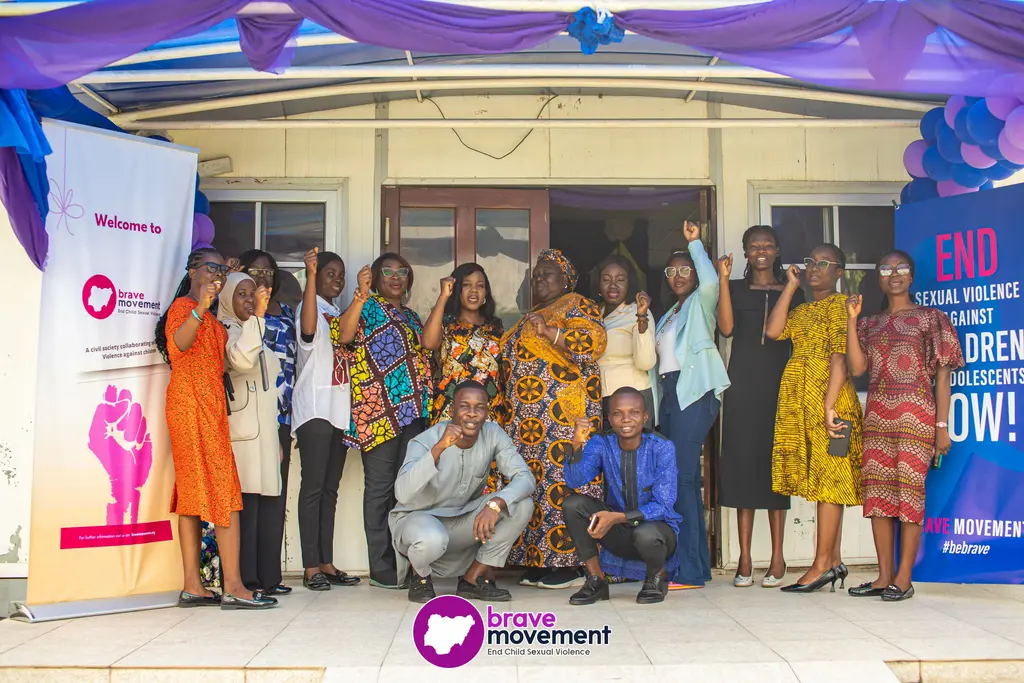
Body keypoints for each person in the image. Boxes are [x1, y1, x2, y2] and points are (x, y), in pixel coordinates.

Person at [154, 248, 276, 610]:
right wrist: (201, 306)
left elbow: (229, 361)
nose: (217, 274)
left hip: (208, 408)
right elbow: (179, 345)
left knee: (193, 498)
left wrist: (228, 291)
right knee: (226, 495)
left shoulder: (213, 319)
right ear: (192, 271)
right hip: (191, 407)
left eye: (222, 269)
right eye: (211, 267)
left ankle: (193, 586)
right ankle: (234, 586)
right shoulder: (184, 309)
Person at [841, 252, 963, 602]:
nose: (893, 274)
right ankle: (884, 577)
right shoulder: (869, 323)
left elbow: (943, 377)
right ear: (878, 278)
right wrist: (851, 320)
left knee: (910, 494)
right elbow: (857, 368)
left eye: (901, 269)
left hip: (916, 416)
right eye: (886, 269)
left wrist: (942, 426)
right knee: (878, 496)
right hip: (877, 417)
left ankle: (904, 578)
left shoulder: (931, 318)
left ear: (911, 277)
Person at [499, 248, 608, 590]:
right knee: (536, 487)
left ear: (566, 279)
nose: (539, 278)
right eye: (535, 275)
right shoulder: (529, 316)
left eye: (547, 273)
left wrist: (550, 332)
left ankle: (574, 564)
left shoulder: (577, 304)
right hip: (530, 422)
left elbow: (593, 342)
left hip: (564, 417)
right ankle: (540, 560)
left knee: (565, 484)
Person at [765, 244, 863, 593]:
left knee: (831, 480)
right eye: (810, 262)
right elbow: (773, 331)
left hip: (832, 404)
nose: (814, 268)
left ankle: (821, 565)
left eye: (823, 263)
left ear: (839, 272)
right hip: (800, 400)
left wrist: (829, 405)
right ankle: (833, 562)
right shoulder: (804, 309)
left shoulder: (841, 305)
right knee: (822, 480)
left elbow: (840, 358)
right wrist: (791, 286)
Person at [338, 252, 433, 589]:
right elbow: (344, 336)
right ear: (377, 278)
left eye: (402, 272)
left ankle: (406, 563)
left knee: (408, 491)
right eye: (388, 272)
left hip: (412, 413)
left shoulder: (412, 316)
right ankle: (381, 567)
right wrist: (360, 295)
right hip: (378, 412)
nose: (395, 277)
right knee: (379, 490)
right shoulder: (367, 306)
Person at [390, 381, 535, 603]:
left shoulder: (493, 434)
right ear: (452, 411)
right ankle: (419, 575)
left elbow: (525, 478)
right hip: (417, 520)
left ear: (487, 412)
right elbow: (402, 493)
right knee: (432, 538)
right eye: (464, 406)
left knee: (521, 505)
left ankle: (472, 578)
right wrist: (439, 448)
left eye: (479, 407)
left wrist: (496, 503)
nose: (472, 414)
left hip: (460, 521)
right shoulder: (426, 440)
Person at [716, 226, 802, 588]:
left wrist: (791, 287)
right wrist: (723, 280)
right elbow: (726, 329)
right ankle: (745, 558)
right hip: (742, 386)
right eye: (754, 246)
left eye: (767, 245)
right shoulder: (735, 288)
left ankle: (778, 557)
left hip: (780, 386)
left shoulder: (794, 291)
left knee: (775, 467)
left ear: (778, 250)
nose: (761, 251)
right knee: (742, 466)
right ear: (745, 252)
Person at [651, 220, 730, 589]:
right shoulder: (669, 314)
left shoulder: (702, 302)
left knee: (682, 479)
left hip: (694, 391)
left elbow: (712, 283)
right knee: (679, 479)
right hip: (671, 394)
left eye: (685, 270)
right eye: (671, 271)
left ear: (695, 274)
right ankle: (696, 565)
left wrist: (696, 244)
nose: (678, 276)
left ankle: (690, 571)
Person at [562, 387, 681, 605]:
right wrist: (577, 443)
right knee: (573, 505)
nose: (626, 419)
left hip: (657, 534)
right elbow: (574, 481)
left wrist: (616, 517)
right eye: (618, 413)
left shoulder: (661, 447)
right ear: (609, 418)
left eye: (634, 412)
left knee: (646, 533)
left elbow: (663, 506)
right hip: (618, 533)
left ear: (645, 417)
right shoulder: (602, 443)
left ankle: (657, 577)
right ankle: (596, 580)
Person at [293, 248, 361, 591]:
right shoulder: (309, 307)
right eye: (329, 273)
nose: (337, 279)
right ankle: (310, 567)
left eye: (341, 275)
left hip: (338, 410)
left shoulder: (336, 311)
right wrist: (308, 277)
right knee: (314, 487)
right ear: (316, 277)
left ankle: (326, 562)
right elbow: (308, 332)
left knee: (330, 490)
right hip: (315, 408)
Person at [218, 272, 285, 596]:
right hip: (242, 433)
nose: (248, 300)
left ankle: (268, 579)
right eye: (241, 294)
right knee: (246, 507)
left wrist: (276, 437)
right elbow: (242, 359)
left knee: (267, 506)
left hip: (264, 431)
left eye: (251, 294)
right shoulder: (225, 330)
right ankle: (246, 582)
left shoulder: (251, 329)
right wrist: (258, 314)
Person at [235, 249, 296, 596]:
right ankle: (248, 579)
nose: (263, 277)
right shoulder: (238, 316)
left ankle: (270, 577)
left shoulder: (285, 312)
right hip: (248, 416)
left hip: (280, 413)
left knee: (274, 496)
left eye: (268, 271)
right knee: (249, 499)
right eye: (254, 271)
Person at [423, 263, 506, 425]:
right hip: (451, 411)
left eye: (480, 286)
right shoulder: (446, 323)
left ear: (485, 293)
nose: (474, 290)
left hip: (490, 411)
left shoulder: (495, 327)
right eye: (467, 285)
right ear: (457, 290)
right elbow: (428, 343)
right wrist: (443, 296)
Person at [593, 255, 656, 430]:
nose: (613, 285)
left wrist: (641, 317)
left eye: (620, 280)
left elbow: (646, 363)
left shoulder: (637, 312)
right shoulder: (593, 313)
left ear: (630, 283)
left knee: (631, 448)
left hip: (631, 399)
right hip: (598, 397)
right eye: (606, 279)